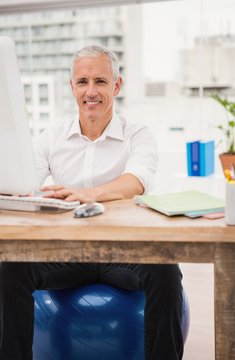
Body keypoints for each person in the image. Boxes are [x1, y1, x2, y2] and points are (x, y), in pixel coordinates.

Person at [0, 45, 183, 360]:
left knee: (166, 273)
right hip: (65, 252)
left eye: (100, 81)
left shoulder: (138, 134)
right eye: (82, 82)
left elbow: (135, 181)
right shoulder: (50, 137)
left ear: (117, 85)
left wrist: (88, 193)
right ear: (72, 87)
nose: (91, 91)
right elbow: (24, 183)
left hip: (124, 252)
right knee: (8, 270)